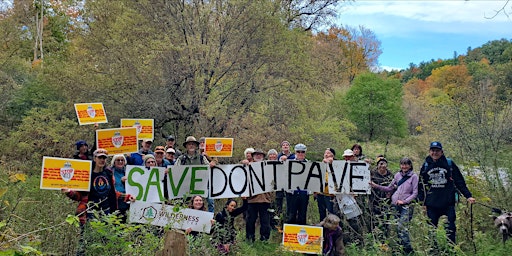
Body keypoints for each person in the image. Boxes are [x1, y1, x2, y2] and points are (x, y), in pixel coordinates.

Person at [62, 149, 134, 256]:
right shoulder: (87, 174)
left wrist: (127, 197)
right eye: (100, 157)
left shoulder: (108, 173)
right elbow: (79, 196)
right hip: (89, 213)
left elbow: (112, 193)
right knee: (86, 241)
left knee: (104, 241)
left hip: (106, 212)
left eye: (104, 158)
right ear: (94, 158)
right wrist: (69, 192)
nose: (102, 160)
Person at [418, 141, 476, 245]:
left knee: (450, 229)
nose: (435, 153)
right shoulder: (426, 165)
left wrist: (468, 196)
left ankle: (451, 250)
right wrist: (422, 203)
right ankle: (433, 251)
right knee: (431, 230)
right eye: (433, 150)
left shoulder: (449, 164)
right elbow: (421, 185)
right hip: (431, 204)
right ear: (429, 151)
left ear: (442, 152)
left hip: (448, 203)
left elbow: (459, 181)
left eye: (437, 150)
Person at [370, 157, 418, 254]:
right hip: (395, 205)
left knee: (402, 226)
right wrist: (376, 186)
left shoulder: (414, 176)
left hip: (406, 206)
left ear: (410, 165)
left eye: (406, 164)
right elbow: (389, 188)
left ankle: (408, 249)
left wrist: (404, 201)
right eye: (402, 164)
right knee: (397, 226)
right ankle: (400, 247)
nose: (404, 166)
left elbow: (415, 193)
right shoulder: (397, 175)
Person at [246, 149, 272, 242]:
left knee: (265, 221)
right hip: (252, 199)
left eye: (260, 155)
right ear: (253, 156)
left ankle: (264, 239)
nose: (258, 156)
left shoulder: (268, 167)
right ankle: (250, 238)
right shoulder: (247, 166)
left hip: (265, 199)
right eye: (256, 155)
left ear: (263, 157)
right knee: (250, 220)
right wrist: (244, 162)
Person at [369, 156, 394, 237]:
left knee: (385, 219)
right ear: (377, 165)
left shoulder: (390, 175)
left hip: (386, 201)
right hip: (374, 200)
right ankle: (373, 235)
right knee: (373, 219)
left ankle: (385, 235)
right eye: (380, 164)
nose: (382, 166)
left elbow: (394, 186)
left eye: (384, 164)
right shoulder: (373, 174)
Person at [285, 143, 309, 225]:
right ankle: (290, 235)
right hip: (292, 193)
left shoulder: (309, 164)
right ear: (295, 152)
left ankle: (301, 234)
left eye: (302, 152)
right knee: (291, 215)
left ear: (305, 153)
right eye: (298, 152)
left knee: (302, 215)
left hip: (304, 193)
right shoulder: (288, 163)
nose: (300, 154)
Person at [315, 148, 336, 222]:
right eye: (325, 153)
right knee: (321, 212)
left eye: (328, 153)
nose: (326, 154)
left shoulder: (335, 164)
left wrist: (329, 162)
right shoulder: (320, 165)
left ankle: (333, 230)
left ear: (332, 155)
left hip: (330, 193)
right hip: (320, 192)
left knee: (331, 213)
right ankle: (323, 230)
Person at [110, 154, 130, 222]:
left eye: (122, 160)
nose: (120, 162)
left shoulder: (128, 172)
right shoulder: (110, 172)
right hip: (114, 203)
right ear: (114, 162)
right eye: (118, 160)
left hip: (126, 203)